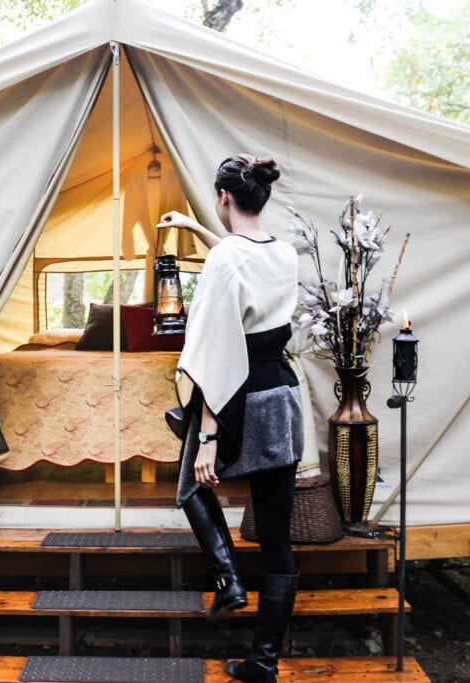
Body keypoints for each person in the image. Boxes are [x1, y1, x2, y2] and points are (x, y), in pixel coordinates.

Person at [157, 153, 304, 683]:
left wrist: (209, 439)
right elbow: (240, 261)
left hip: (241, 396)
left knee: (191, 487)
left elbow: (214, 352)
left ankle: (229, 584)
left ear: (224, 198)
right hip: (282, 399)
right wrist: (194, 226)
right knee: (276, 535)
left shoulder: (226, 261)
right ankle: (264, 661)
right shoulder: (284, 253)